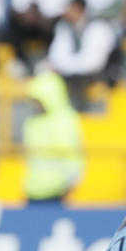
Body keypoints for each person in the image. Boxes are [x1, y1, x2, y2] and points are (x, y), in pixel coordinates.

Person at [21, 70, 83, 202]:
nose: (36, 104)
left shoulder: (65, 120)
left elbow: (72, 154)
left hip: (58, 190)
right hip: (32, 189)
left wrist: (71, 181)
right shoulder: (32, 122)